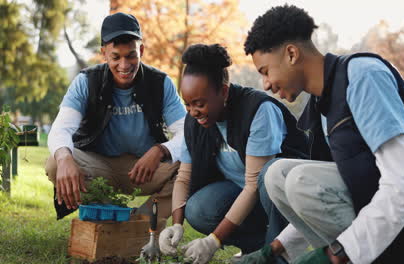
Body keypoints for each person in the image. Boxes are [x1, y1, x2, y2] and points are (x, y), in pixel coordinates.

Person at [237, 4, 404, 264]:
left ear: (291, 54)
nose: (266, 84)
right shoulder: (321, 105)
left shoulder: (363, 77)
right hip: (381, 217)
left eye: (266, 71)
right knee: (278, 174)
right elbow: (331, 191)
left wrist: (333, 256)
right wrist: (275, 249)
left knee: (299, 179)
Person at [157, 43, 308, 264]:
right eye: (188, 105)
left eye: (199, 103)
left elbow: (254, 185)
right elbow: (184, 177)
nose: (193, 112)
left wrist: (213, 241)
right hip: (242, 192)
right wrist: (176, 225)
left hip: (281, 195)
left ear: (224, 91)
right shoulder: (194, 121)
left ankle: (276, 253)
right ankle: (252, 247)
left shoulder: (258, 110)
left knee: (268, 177)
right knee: (198, 208)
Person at [45, 12, 186, 234]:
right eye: (115, 57)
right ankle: (108, 215)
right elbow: (61, 129)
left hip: (145, 169)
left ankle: (141, 223)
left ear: (141, 50)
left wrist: (160, 150)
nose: (124, 65)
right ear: (104, 54)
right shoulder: (86, 81)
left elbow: (188, 133)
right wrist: (64, 158)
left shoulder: (160, 82)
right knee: (55, 162)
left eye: (131, 55)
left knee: (194, 164)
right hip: (99, 166)